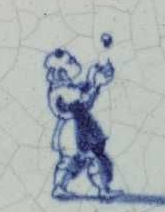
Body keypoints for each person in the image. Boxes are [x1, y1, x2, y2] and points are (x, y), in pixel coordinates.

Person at [43, 39, 123, 200]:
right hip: (74, 133)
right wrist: (96, 84)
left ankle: (98, 188)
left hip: (79, 129)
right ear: (61, 72)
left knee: (78, 161)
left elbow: (83, 89)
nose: (74, 62)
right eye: (70, 61)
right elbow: (84, 101)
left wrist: (93, 76)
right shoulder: (61, 91)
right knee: (88, 159)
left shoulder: (64, 87)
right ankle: (101, 190)